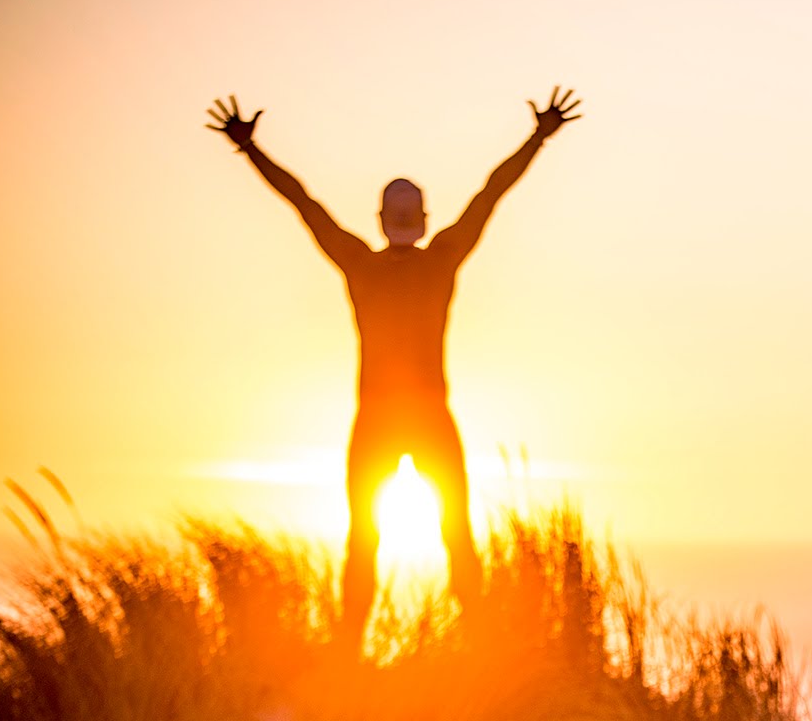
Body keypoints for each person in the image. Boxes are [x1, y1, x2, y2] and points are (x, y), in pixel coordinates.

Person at [205, 88, 583, 650]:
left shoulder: (359, 263)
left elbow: (303, 202)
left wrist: (251, 148)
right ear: (424, 220)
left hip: (377, 422)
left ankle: (348, 654)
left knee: (366, 538)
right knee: (454, 534)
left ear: (381, 220)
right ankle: (473, 650)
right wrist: (538, 137)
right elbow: (491, 194)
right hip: (430, 419)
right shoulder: (442, 257)